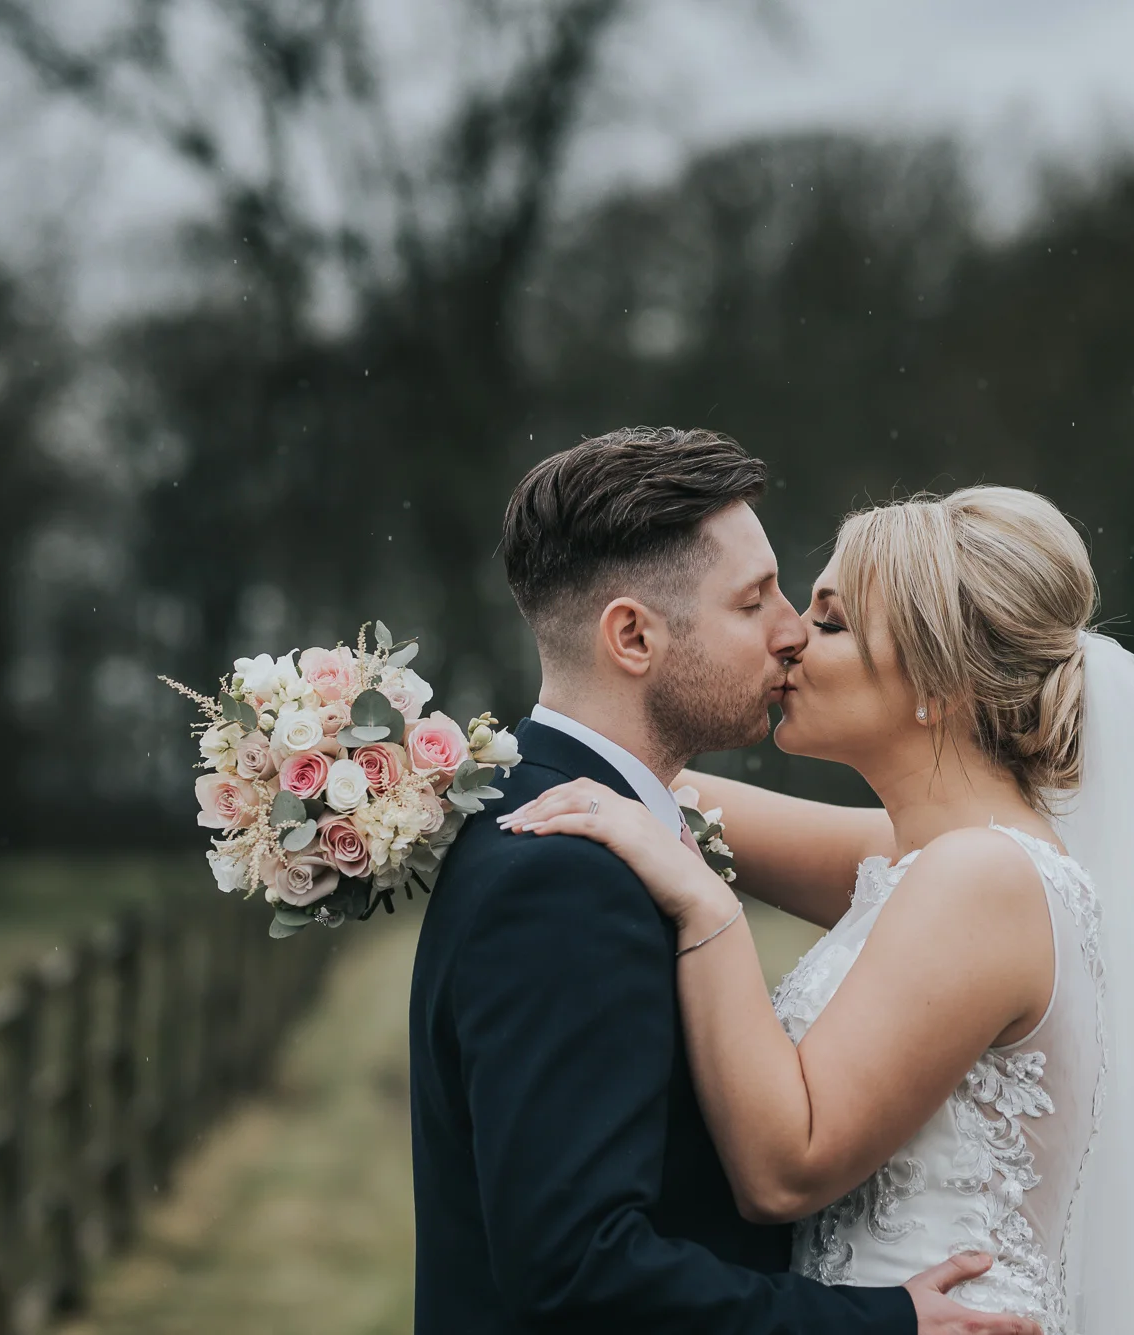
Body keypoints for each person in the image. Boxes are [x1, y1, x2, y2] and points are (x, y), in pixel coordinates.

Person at [503, 484, 1134, 1333]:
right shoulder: (932, 857)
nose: (789, 639)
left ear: (943, 681)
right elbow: (641, 779)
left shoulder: (983, 881)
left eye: (831, 622)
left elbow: (786, 1167)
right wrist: (404, 759)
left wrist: (708, 907)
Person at [410, 428, 1041, 1334]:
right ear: (632, 635)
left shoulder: (588, 816)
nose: (791, 633)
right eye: (755, 602)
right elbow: (576, 1270)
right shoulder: (562, 873)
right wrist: (879, 1324)